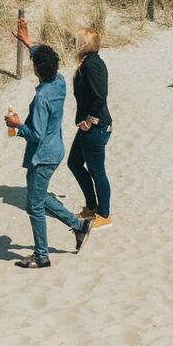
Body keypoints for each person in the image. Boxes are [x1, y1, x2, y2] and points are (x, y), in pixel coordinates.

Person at [4, 43, 90, 269]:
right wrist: (26, 40)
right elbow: (44, 57)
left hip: (42, 156)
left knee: (34, 206)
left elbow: (36, 134)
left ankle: (42, 256)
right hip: (55, 150)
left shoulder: (42, 97)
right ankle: (79, 226)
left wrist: (18, 125)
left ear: (37, 70)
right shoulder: (59, 81)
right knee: (38, 198)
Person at [67, 27, 114, 228]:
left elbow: (99, 96)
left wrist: (89, 120)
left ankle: (104, 215)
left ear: (84, 44)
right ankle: (92, 206)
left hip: (95, 127)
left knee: (97, 171)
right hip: (90, 126)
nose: (73, 43)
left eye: (76, 40)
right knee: (74, 163)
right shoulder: (89, 62)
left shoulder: (92, 65)